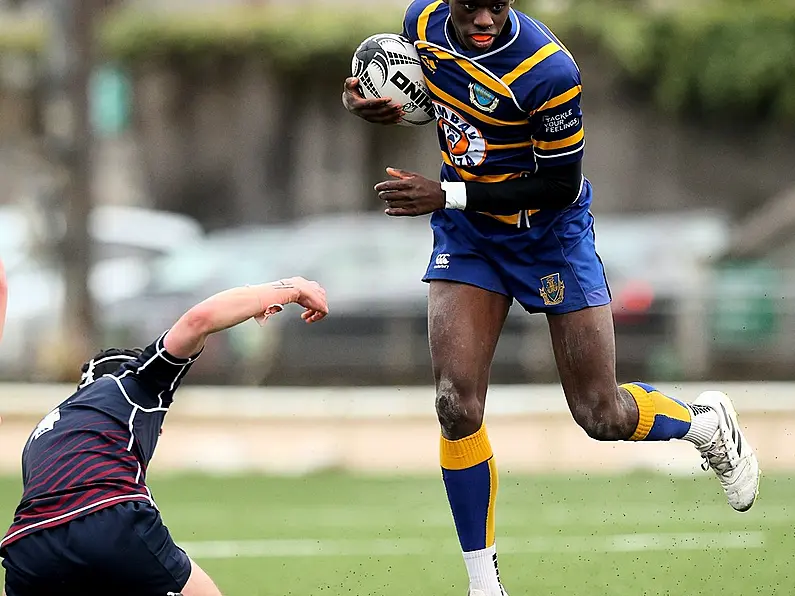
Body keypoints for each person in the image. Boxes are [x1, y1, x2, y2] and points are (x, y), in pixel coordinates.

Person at [342, 1, 760, 595]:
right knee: (455, 403)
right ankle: (484, 586)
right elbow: (411, 93)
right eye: (471, 4)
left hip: (548, 235)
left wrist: (448, 195)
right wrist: (363, 103)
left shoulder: (547, 71)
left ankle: (704, 423)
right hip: (471, 238)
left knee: (600, 413)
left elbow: (560, 183)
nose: (484, 17)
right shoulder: (422, 22)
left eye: (498, 3)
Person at [0, 277, 328, 596]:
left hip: (25, 550)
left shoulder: (45, 431)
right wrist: (290, 288)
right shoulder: (134, 383)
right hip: (108, 520)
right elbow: (199, 320)